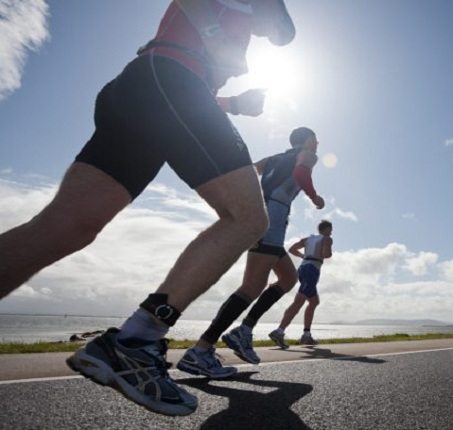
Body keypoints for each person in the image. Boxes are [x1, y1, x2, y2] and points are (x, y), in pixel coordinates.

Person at [0, 0, 296, 416]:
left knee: (68, 226)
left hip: (146, 86)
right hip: (171, 79)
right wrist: (217, 43)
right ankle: (136, 341)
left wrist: (232, 103)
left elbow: (281, 33)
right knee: (247, 218)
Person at [177, 126, 325, 376]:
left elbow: (245, 172)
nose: (318, 143)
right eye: (315, 139)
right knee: (252, 287)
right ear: (308, 140)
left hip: (262, 214)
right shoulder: (308, 154)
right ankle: (201, 350)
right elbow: (301, 172)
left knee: (289, 279)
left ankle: (243, 331)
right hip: (272, 218)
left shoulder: (272, 159)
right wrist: (314, 197)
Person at [268, 220, 334, 348]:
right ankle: (279, 331)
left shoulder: (308, 239)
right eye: (331, 230)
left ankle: (306, 335)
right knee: (299, 301)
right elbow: (327, 254)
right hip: (312, 270)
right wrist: (327, 247)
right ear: (327, 229)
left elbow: (292, 249)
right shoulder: (327, 238)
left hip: (303, 269)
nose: (331, 232)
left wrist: (303, 255)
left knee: (314, 302)